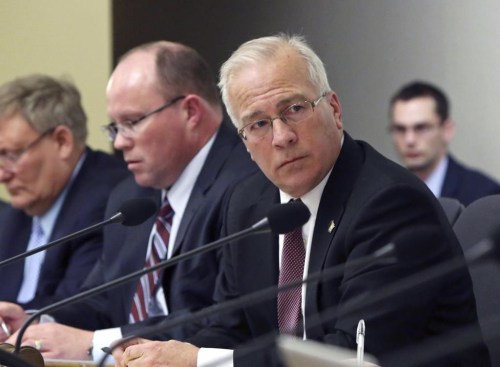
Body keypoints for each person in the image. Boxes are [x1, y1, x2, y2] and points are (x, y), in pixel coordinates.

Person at [112, 35, 490, 367]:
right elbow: (232, 329)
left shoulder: (390, 204)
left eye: (294, 109)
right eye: (258, 123)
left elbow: (352, 356)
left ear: (334, 110)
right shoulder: (247, 204)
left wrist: (199, 361)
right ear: (244, 141)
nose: (281, 137)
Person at [3, 41, 257, 361]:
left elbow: (223, 322)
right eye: (115, 127)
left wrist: (96, 343)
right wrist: (37, 321)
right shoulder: (131, 196)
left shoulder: (245, 187)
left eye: (133, 122)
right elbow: (100, 300)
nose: (120, 142)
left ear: (190, 111)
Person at [0, 74, 129, 327]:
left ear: (62, 142)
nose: (2, 173)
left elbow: (79, 308)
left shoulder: (113, 200)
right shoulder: (16, 212)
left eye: (11, 155)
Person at [389, 81, 500, 206]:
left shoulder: (483, 194)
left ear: (447, 130)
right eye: (400, 129)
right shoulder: (386, 195)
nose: (409, 140)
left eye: (421, 128)